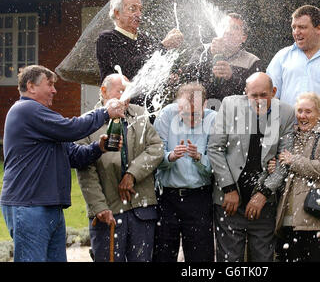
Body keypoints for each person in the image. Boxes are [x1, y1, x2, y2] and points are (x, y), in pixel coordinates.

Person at [0, 65, 125, 262]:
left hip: (49, 206)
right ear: (31, 86)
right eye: (49, 84)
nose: (54, 90)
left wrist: (98, 148)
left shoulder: (44, 119)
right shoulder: (26, 110)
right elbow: (71, 129)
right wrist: (105, 112)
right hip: (29, 206)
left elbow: (73, 155)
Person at [75, 74, 164, 262]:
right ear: (104, 91)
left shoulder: (140, 113)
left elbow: (156, 148)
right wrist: (99, 207)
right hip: (108, 213)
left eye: (128, 91)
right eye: (121, 91)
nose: (126, 96)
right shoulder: (87, 123)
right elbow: (85, 172)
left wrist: (132, 174)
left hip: (142, 209)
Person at [208, 72, 295, 262]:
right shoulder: (230, 105)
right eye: (253, 96)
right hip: (228, 201)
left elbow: (285, 159)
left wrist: (263, 193)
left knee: (263, 260)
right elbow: (214, 149)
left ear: (274, 92)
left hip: (265, 203)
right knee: (230, 261)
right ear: (245, 92)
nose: (258, 101)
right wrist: (229, 188)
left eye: (263, 95)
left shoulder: (287, 113)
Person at [269, 92, 320, 262]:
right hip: (289, 222)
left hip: (318, 221)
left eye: (308, 112)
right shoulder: (292, 135)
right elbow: (288, 167)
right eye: (299, 111)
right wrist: (275, 167)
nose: (302, 116)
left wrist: (293, 161)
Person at [153, 82, 216, 262]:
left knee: (200, 258)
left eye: (194, 112)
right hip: (167, 198)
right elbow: (155, 157)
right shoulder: (166, 115)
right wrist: (170, 157)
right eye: (183, 110)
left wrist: (199, 158)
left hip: (199, 198)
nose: (187, 115)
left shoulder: (214, 120)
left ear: (204, 105)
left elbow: (219, 164)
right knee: (163, 256)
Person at [96, 0, 184, 106]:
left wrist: (172, 74)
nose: (138, 14)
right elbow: (128, 68)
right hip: (118, 108)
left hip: (149, 109)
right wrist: (163, 46)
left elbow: (158, 66)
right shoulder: (107, 39)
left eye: (140, 9)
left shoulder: (146, 40)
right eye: (132, 9)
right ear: (117, 13)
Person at [181, 13, 262, 102]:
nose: (228, 31)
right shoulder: (203, 51)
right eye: (225, 26)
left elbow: (257, 95)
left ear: (244, 38)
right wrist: (211, 56)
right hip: (201, 112)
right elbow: (186, 79)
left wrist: (231, 77)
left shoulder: (252, 61)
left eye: (235, 28)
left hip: (235, 113)